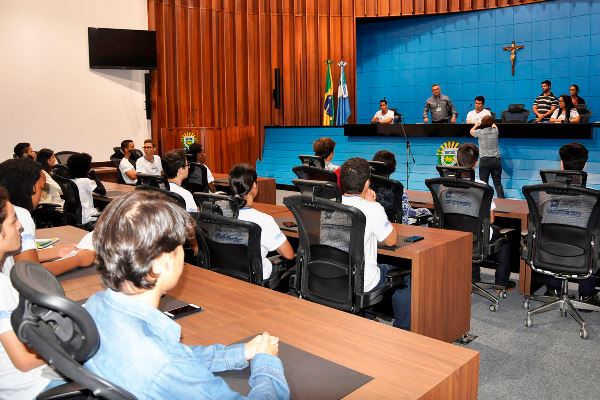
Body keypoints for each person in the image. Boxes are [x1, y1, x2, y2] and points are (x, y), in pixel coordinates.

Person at [84, 190, 289, 399]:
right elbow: (170, 364)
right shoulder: (165, 366)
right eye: (180, 247)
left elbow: (177, 356)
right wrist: (266, 361)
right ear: (162, 263)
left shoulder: (94, 307)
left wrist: (240, 352)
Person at [0, 186, 62, 398]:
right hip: (34, 387)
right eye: (12, 221)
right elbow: (25, 361)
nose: (19, 226)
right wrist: (74, 346)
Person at [340, 158, 411, 330]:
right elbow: (391, 239)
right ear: (367, 184)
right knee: (406, 276)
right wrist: (373, 204)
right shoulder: (372, 209)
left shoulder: (329, 204)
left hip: (336, 277)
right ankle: (403, 331)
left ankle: (368, 319)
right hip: (362, 280)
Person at [0, 158, 96, 277]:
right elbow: (32, 273)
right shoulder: (20, 215)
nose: (41, 195)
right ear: (31, 188)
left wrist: (55, 252)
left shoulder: (4, 210)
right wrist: (78, 260)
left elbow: (18, 256)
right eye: (41, 188)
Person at [544, 143, 599, 306]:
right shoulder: (593, 198)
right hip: (580, 254)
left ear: (561, 163)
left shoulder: (544, 194)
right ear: (585, 165)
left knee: (554, 232)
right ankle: (587, 295)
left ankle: (553, 289)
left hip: (549, 250)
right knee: (593, 241)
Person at [456, 143, 514, 289]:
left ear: (457, 161)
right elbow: (491, 219)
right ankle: (501, 283)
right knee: (504, 237)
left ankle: (473, 276)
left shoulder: (444, 184)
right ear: (475, 164)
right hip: (475, 237)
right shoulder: (482, 186)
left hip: (452, 236)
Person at [229, 164, 294, 281]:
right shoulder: (264, 220)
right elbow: (288, 254)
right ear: (254, 186)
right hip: (256, 277)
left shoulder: (220, 213)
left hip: (229, 272)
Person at [371, 150, 431, 224]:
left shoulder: (366, 185)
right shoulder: (397, 188)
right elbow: (405, 217)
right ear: (392, 168)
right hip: (393, 227)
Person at [469, 115, 505, 198]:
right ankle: (503, 204)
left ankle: (485, 202)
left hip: (484, 161)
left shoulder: (479, 132)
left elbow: (471, 131)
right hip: (496, 161)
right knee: (498, 184)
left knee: (483, 184)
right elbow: (494, 125)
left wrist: (476, 125)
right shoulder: (495, 130)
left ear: (482, 123)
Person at [67, 153, 106, 226]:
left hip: (76, 216)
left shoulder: (69, 181)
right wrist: (95, 177)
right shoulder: (85, 181)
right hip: (88, 217)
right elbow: (102, 191)